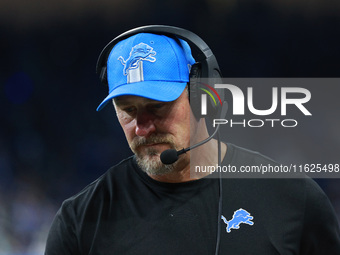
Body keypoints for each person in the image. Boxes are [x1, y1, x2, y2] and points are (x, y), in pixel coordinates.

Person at [45, 26, 340, 255]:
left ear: (201, 97)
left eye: (157, 106)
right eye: (128, 111)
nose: (143, 128)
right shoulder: (80, 220)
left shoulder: (293, 199)